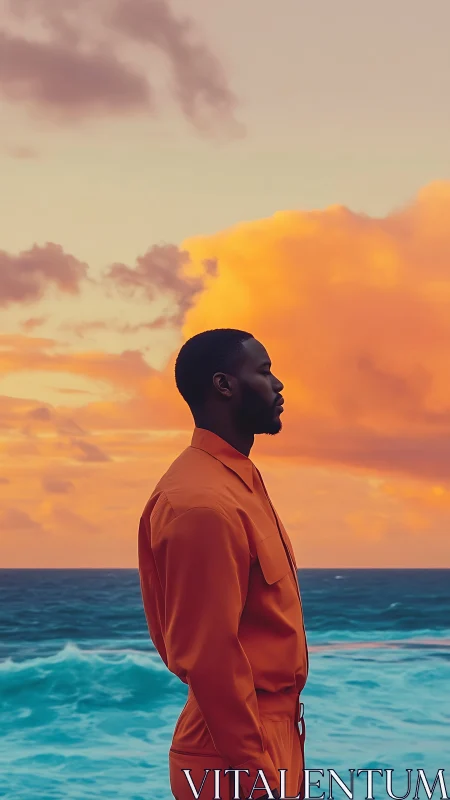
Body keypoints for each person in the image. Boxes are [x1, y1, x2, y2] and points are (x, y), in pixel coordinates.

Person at [138, 329, 309, 800]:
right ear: (224, 385)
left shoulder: (239, 480)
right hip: (231, 759)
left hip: (270, 739)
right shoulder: (201, 502)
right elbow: (209, 657)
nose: (278, 386)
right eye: (263, 371)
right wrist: (257, 776)